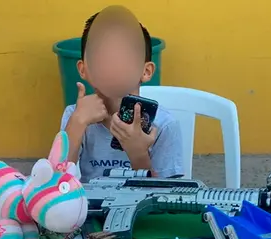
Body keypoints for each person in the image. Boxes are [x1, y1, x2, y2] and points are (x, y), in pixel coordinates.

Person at [60, 6, 183, 182]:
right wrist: (77, 124)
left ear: (146, 71)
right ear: (83, 69)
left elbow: (166, 195)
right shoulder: (74, 116)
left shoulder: (164, 126)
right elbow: (55, 184)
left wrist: (138, 154)